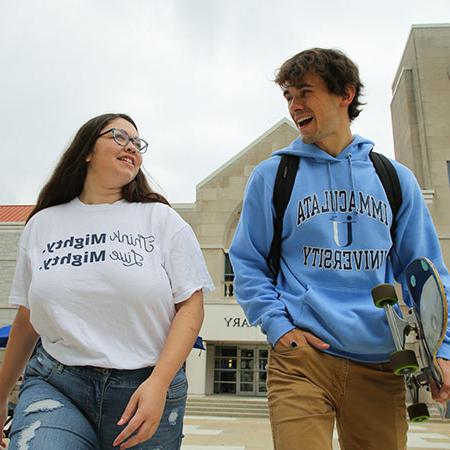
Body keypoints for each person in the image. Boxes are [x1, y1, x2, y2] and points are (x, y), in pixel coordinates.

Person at [230, 48, 450, 450]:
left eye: (304, 93)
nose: (295, 106)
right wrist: (279, 328)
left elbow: (427, 272)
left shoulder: (394, 179)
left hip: (380, 361)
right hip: (303, 359)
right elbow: (247, 261)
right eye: (288, 97)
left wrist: (444, 348)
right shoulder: (274, 176)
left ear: (345, 94)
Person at [0, 113, 214, 450]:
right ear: (86, 150)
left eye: (137, 143)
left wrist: (159, 383)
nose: (131, 146)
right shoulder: (43, 224)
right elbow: (27, 320)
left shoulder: (161, 220)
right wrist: (0, 397)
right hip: (58, 381)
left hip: (145, 385)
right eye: (119, 136)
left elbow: (191, 306)